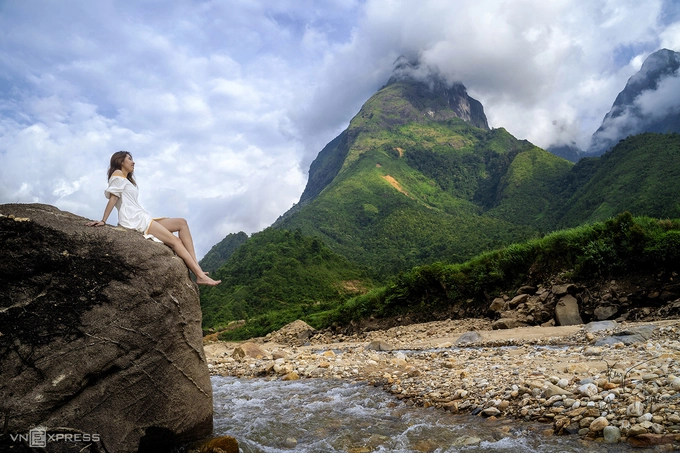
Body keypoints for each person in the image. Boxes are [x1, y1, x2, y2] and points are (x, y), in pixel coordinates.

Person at [87, 151, 221, 286]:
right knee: (175, 241)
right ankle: (199, 276)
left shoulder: (126, 179)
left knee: (182, 223)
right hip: (134, 219)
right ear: (120, 161)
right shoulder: (117, 175)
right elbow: (113, 198)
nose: (133, 162)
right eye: (129, 159)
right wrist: (103, 220)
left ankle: (197, 268)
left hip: (142, 216)